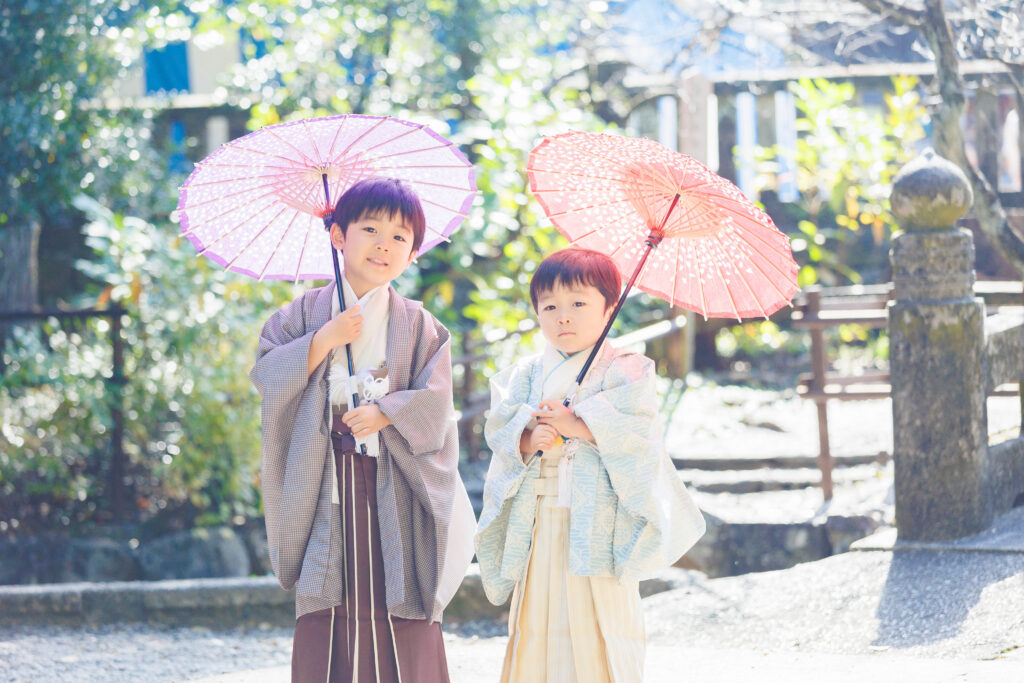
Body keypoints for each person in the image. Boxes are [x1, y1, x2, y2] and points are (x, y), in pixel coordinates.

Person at [250, 176, 475, 683]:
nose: (384, 244)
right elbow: (267, 377)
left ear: (414, 252)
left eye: (400, 237)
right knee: (327, 601)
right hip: (325, 480)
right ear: (337, 237)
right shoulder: (300, 315)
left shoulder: (420, 325)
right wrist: (323, 339)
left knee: (400, 593)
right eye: (370, 228)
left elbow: (436, 404)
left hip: (391, 481)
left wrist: (386, 413)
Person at [474, 248, 706, 683]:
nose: (564, 317)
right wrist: (528, 437)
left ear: (610, 307)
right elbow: (498, 428)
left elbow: (638, 434)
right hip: (540, 515)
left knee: (606, 621)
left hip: (601, 519)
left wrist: (577, 424)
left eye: (579, 303)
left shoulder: (627, 370)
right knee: (538, 615)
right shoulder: (524, 374)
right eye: (550, 306)